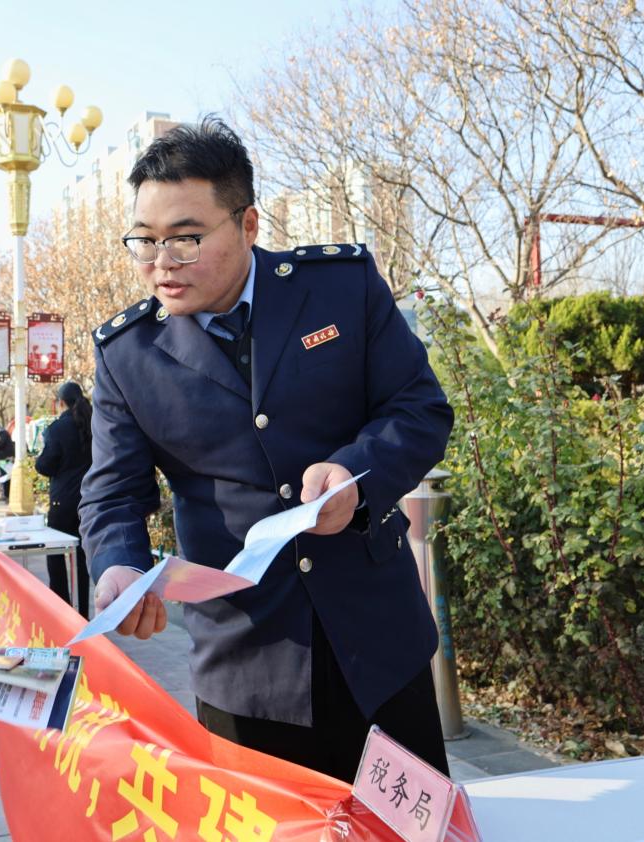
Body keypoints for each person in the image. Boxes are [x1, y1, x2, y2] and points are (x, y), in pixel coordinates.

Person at [79, 118, 455, 784]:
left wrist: (356, 477)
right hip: (244, 661)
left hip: (377, 638)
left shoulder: (339, 287)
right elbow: (112, 493)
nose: (161, 262)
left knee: (408, 821)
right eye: (145, 240)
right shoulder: (127, 354)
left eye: (185, 238)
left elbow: (418, 408)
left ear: (247, 224)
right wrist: (117, 566)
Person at [34, 382, 93, 617]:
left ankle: (61, 612)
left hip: (63, 503)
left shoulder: (57, 429)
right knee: (82, 558)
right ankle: (83, 614)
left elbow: (45, 465)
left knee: (56, 555)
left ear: (61, 402)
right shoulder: (94, 423)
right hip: (89, 500)